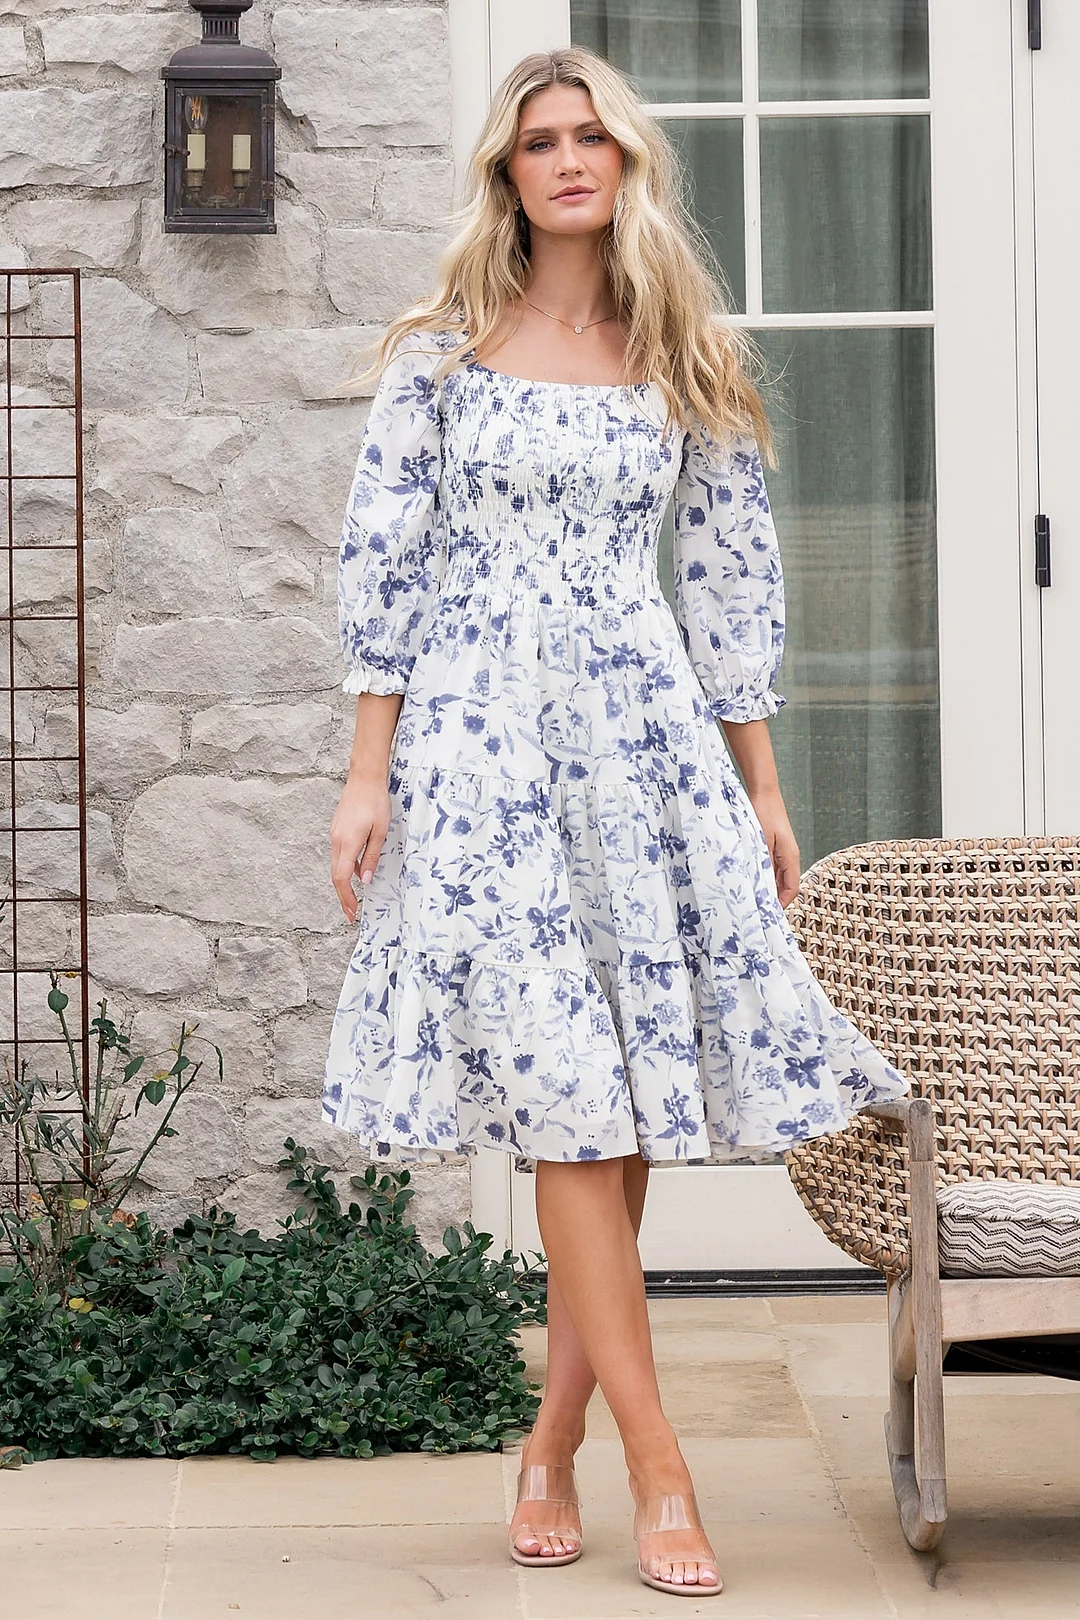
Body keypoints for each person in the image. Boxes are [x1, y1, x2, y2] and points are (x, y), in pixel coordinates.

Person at [322, 45, 908, 1600]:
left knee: (627, 1111)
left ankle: (551, 1439)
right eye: (541, 141)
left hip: (643, 740)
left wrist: (764, 787)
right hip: (479, 740)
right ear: (506, 175)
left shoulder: (681, 353)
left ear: (630, 163)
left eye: (593, 137)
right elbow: (385, 566)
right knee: (570, 1100)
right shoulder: (440, 357)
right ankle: (661, 1463)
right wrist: (368, 774)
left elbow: (726, 579)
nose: (570, 159)